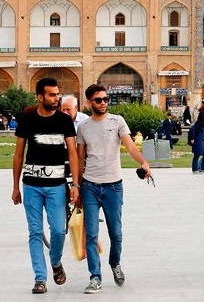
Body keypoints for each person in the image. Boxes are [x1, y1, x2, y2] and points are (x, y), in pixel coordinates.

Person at [76, 84, 151, 294]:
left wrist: (143, 163)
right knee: (91, 235)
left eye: (106, 99)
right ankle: (95, 276)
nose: (103, 103)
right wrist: (77, 185)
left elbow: (130, 145)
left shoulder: (117, 121)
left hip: (113, 187)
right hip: (90, 185)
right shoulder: (83, 127)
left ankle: (114, 263)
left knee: (116, 234)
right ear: (89, 102)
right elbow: (80, 158)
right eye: (98, 100)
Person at [12, 78, 80, 295]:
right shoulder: (27, 120)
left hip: (56, 186)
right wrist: (15, 186)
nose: (56, 98)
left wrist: (75, 184)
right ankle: (40, 278)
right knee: (34, 232)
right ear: (40, 97)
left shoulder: (64, 121)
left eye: (57, 94)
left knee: (59, 230)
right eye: (52, 95)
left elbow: (72, 153)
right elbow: (18, 154)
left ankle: (55, 261)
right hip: (31, 185)